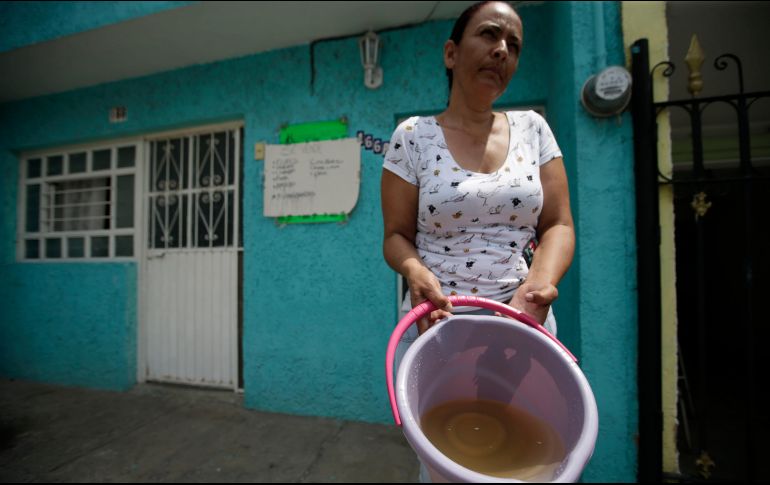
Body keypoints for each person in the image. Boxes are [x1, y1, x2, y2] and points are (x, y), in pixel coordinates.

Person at [381, 0, 574, 343]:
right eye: (489, 35)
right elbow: (396, 236)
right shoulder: (412, 137)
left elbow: (558, 225)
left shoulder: (534, 129)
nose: (502, 50)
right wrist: (414, 270)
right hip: (436, 324)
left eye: (513, 45)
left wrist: (535, 289)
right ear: (451, 54)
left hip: (522, 324)